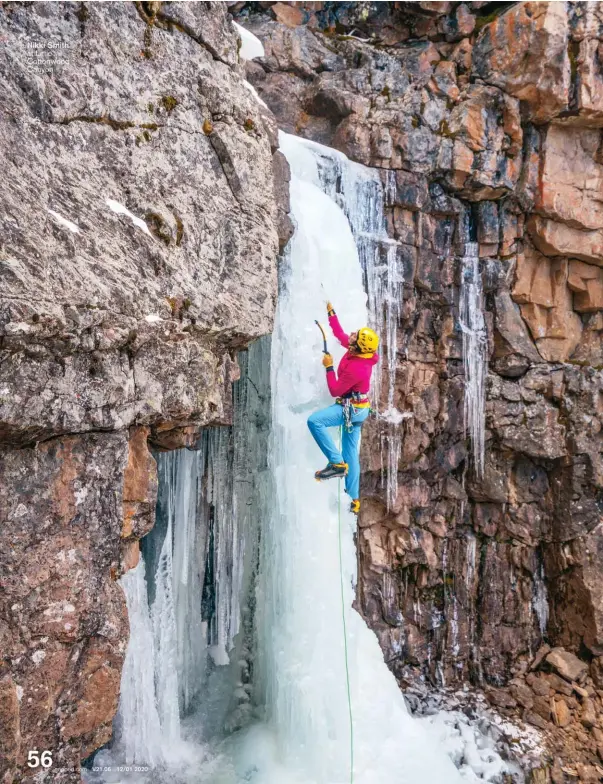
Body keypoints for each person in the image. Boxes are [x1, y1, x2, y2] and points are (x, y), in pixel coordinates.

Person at [307, 301, 380, 515]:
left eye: (356, 337)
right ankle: (354, 499)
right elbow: (340, 334)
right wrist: (332, 314)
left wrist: (329, 366)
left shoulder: (359, 368)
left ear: (359, 347)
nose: (353, 335)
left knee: (315, 421)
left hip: (351, 409)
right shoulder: (359, 352)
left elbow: (335, 390)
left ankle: (336, 463)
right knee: (352, 455)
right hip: (358, 409)